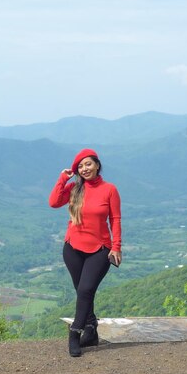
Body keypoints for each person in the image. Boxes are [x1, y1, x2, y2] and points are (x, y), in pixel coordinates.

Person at [48, 148, 122, 357]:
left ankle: (75, 332)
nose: (84, 168)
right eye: (80, 166)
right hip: (72, 248)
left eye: (88, 164)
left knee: (85, 290)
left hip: (100, 249)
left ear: (97, 165)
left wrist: (116, 246)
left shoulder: (110, 189)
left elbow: (115, 219)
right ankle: (91, 331)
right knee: (83, 292)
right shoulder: (74, 189)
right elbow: (53, 202)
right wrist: (63, 178)